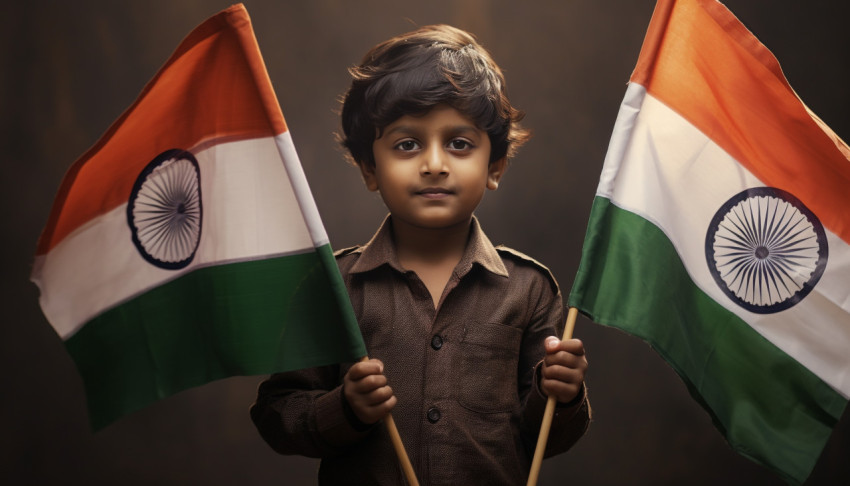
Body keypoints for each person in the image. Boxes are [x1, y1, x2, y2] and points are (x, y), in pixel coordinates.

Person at [250, 24, 590, 485]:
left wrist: (561, 396)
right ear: (370, 169)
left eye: (459, 143)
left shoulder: (528, 288)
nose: (433, 163)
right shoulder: (334, 286)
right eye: (407, 144)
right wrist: (343, 409)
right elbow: (276, 414)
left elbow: (544, 438)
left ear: (495, 167)